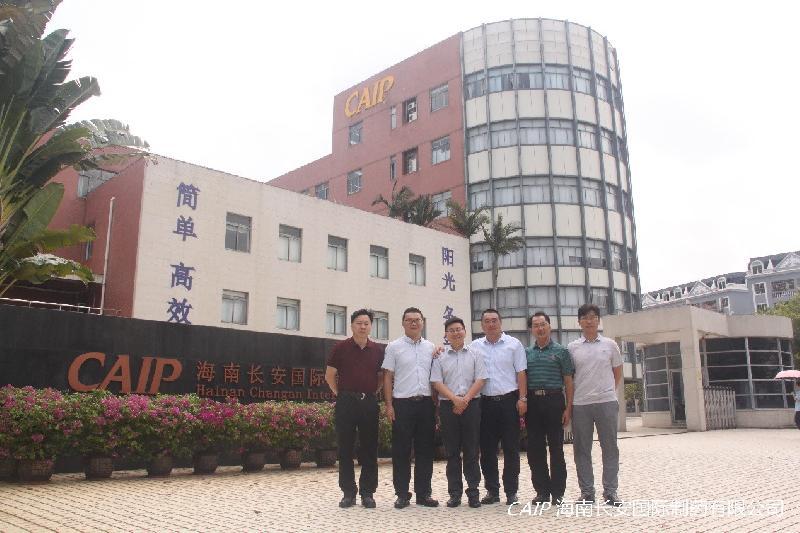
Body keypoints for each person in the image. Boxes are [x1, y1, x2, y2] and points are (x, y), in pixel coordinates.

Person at [325, 309, 384, 509]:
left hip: (369, 402)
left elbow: (381, 377)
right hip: (346, 402)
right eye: (359, 323)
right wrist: (341, 394)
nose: (362, 326)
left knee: (370, 449)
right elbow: (329, 375)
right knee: (345, 448)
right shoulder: (340, 348)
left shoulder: (378, 350)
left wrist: (371, 393)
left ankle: (368, 493)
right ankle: (348, 493)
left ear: (371, 326)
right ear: (351, 325)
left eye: (366, 323)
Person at [469, 308, 528, 506]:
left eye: (494, 320)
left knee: (511, 449)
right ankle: (492, 491)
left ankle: (511, 491)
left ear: (500, 322)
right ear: (482, 325)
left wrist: (523, 398)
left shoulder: (514, 344)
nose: (491, 324)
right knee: (487, 450)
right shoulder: (475, 346)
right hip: (485, 404)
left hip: (509, 402)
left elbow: (521, 373)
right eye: (487, 321)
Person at [382, 307, 439, 509]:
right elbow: (387, 377)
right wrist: (389, 404)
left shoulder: (431, 348)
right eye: (409, 320)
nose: (413, 323)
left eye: (417, 319)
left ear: (422, 322)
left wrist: (436, 406)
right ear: (403, 323)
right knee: (401, 451)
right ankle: (402, 494)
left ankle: (423, 494)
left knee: (425, 450)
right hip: (402, 404)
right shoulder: (393, 347)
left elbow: (436, 379)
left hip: (425, 404)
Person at [567, 303, 623, 506]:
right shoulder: (572, 348)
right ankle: (587, 493)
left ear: (598, 320)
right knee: (582, 449)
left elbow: (617, 373)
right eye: (584, 317)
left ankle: (611, 492)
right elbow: (570, 378)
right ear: (579, 322)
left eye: (592, 317)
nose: (589, 321)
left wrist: (607, 391)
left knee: (610, 448)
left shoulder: (610, 345)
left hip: (606, 402)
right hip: (581, 404)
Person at [430, 316, 487, 509]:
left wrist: (465, 400)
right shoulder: (440, 356)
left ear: (465, 331)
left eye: (459, 329)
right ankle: (454, 494)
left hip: (472, 404)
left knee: (472, 450)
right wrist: (455, 400)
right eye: (451, 330)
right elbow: (436, 382)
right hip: (448, 406)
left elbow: (481, 379)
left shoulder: (475, 354)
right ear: (446, 334)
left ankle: (473, 492)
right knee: (452, 452)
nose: (456, 333)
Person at [525, 311, 574, 505]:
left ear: (549, 326)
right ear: (531, 330)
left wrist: (568, 408)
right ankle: (542, 492)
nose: (540, 328)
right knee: (535, 449)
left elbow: (568, 381)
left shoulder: (562, 351)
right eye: (536, 325)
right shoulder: (526, 353)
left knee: (556, 449)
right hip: (533, 403)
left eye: (543, 324)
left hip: (555, 401)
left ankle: (558, 493)